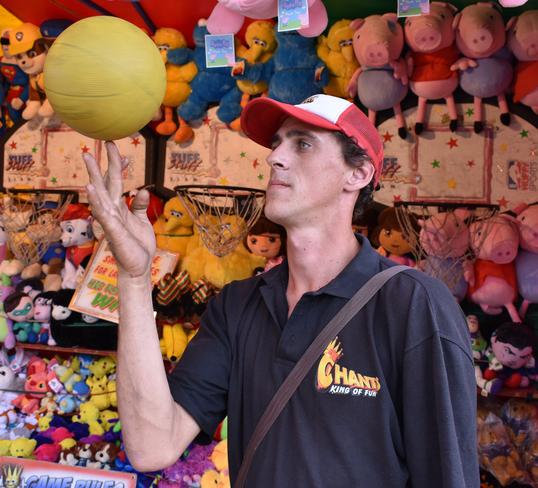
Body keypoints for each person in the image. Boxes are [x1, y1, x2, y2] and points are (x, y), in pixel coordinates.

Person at [83, 94, 478, 487]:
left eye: (303, 143)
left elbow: (448, 473)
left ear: (357, 173)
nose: (275, 158)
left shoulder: (411, 303)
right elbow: (152, 446)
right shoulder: (238, 304)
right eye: (277, 144)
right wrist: (134, 280)